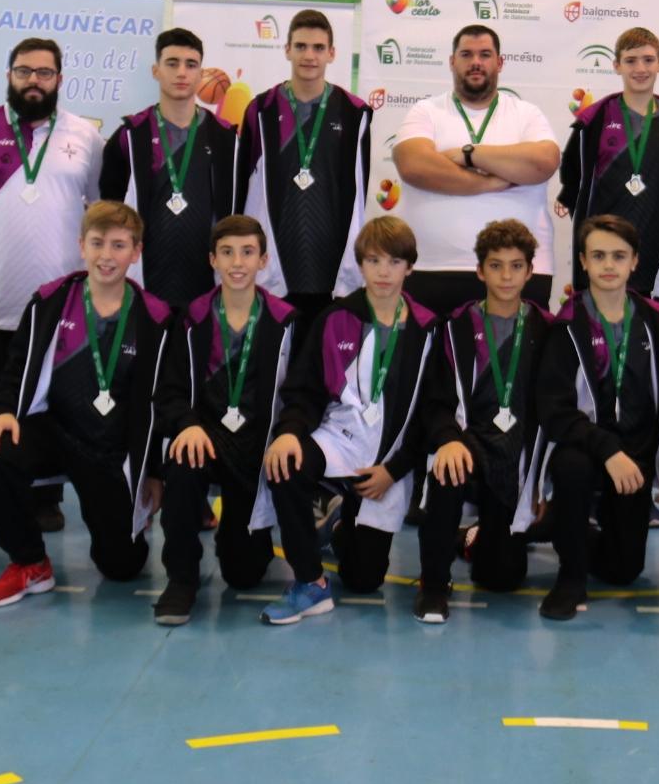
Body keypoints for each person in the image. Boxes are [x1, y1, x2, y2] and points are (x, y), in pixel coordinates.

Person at [0, 202, 188, 608]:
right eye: (98, 243)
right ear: (81, 246)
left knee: (122, 566)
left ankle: (128, 524)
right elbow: (16, 366)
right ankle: (29, 561)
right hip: (55, 431)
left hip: (110, 449)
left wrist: (152, 471)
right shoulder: (51, 300)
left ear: (136, 252)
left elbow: (163, 400)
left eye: (119, 245)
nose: (107, 255)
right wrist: (2, 411)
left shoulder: (156, 318)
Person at [0, 37, 103, 533]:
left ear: (60, 79)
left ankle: (46, 494)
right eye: (24, 71)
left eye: (44, 73)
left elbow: (97, 205)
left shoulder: (84, 136)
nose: (34, 80)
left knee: (49, 398)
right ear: (9, 75)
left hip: (57, 300)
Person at [262, 216, 440, 624]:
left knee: (363, 579)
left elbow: (432, 411)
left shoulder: (428, 328)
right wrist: (288, 433)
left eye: (394, 262)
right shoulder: (335, 318)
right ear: (360, 265)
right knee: (286, 465)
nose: (383, 272)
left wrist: (395, 470)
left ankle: (340, 523)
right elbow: (304, 390)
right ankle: (310, 583)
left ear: (410, 267)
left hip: (389, 456)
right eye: (374, 261)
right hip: (337, 440)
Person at [153, 216, 300, 625]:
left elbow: (300, 393)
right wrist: (187, 424)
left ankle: (244, 536)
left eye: (247, 252)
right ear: (212, 260)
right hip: (206, 439)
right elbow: (168, 391)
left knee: (244, 575)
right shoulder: (190, 319)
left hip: (257, 446)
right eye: (227, 252)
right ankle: (181, 578)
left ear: (263, 260)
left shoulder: (286, 321)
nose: (237, 262)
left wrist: (287, 432)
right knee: (182, 463)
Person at [534, 217, 659, 619]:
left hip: (634, 457)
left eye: (619, 256)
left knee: (624, 570)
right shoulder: (567, 324)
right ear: (583, 261)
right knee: (572, 466)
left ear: (635, 261)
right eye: (598, 256)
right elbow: (555, 410)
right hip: (586, 448)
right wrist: (608, 450)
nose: (609, 265)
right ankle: (570, 577)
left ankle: (560, 526)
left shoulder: (656, 322)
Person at [415, 219, 554, 623]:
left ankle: (475, 537)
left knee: (501, 578)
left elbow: (556, 406)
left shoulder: (548, 329)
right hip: (470, 441)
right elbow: (436, 401)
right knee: (447, 472)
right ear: (479, 271)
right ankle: (434, 585)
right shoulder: (455, 326)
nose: (506, 276)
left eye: (516, 266)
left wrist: (542, 475)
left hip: (520, 453)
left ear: (530, 271)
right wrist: (448, 439)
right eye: (496, 265)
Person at [390, 25, 559, 314]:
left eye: (485, 54)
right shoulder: (426, 111)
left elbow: (543, 163)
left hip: (516, 272)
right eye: (466, 54)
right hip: (430, 268)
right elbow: (413, 165)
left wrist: (468, 155)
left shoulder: (526, 114)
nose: (476, 62)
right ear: (452, 61)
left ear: (500, 62)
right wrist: (492, 180)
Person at [232, 9, 373, 322]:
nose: (309, 56)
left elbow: (359, 193)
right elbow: (242, 189)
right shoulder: (261, 110)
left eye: (318, 48)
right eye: (301, 46)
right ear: (287, 50)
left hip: (331, 264)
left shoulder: (354, 113)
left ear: (332, 53)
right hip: (274, 264)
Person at [558, 27, 659, 315]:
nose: (640, 68)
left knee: (655, 339)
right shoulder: (594, 119)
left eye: (648, 60)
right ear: (617, 65)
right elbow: (573, 183)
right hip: (604, 257)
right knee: (600, 337)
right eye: (631, 60)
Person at [99, 27, 236, 308]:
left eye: (191, 64)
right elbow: (109, 210)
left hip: (207, 285)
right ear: (156, 71)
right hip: (143, 282)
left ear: (201, 73)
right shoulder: (130, 135)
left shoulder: (225, 137)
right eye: (172, 63)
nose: (181, 73)